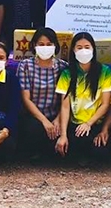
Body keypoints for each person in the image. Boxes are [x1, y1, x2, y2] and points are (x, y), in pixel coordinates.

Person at [54, 32, 111, 167]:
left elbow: (105, 104)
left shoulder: (105, 72)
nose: (83, 51)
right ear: (73, 51)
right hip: (74, 124)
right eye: (79, 47)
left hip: (94, 123)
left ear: (93, 49)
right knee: (61, 150)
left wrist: (89, 123)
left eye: (87, 47)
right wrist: (63, 135)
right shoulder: (67, 73)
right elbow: (65, 106)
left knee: (101, 153)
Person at [18, 27, 67, 160]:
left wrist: (57, 120)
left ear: (55, 46)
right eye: (41, 44)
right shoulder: (25, 66)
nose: (45, 47)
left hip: (56, 115)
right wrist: (44, 121)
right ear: (34, 46)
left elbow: (67, 99)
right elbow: (26, 99)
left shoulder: (63, 67)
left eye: (49, 44)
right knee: (33, 130)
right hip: (33, 116)